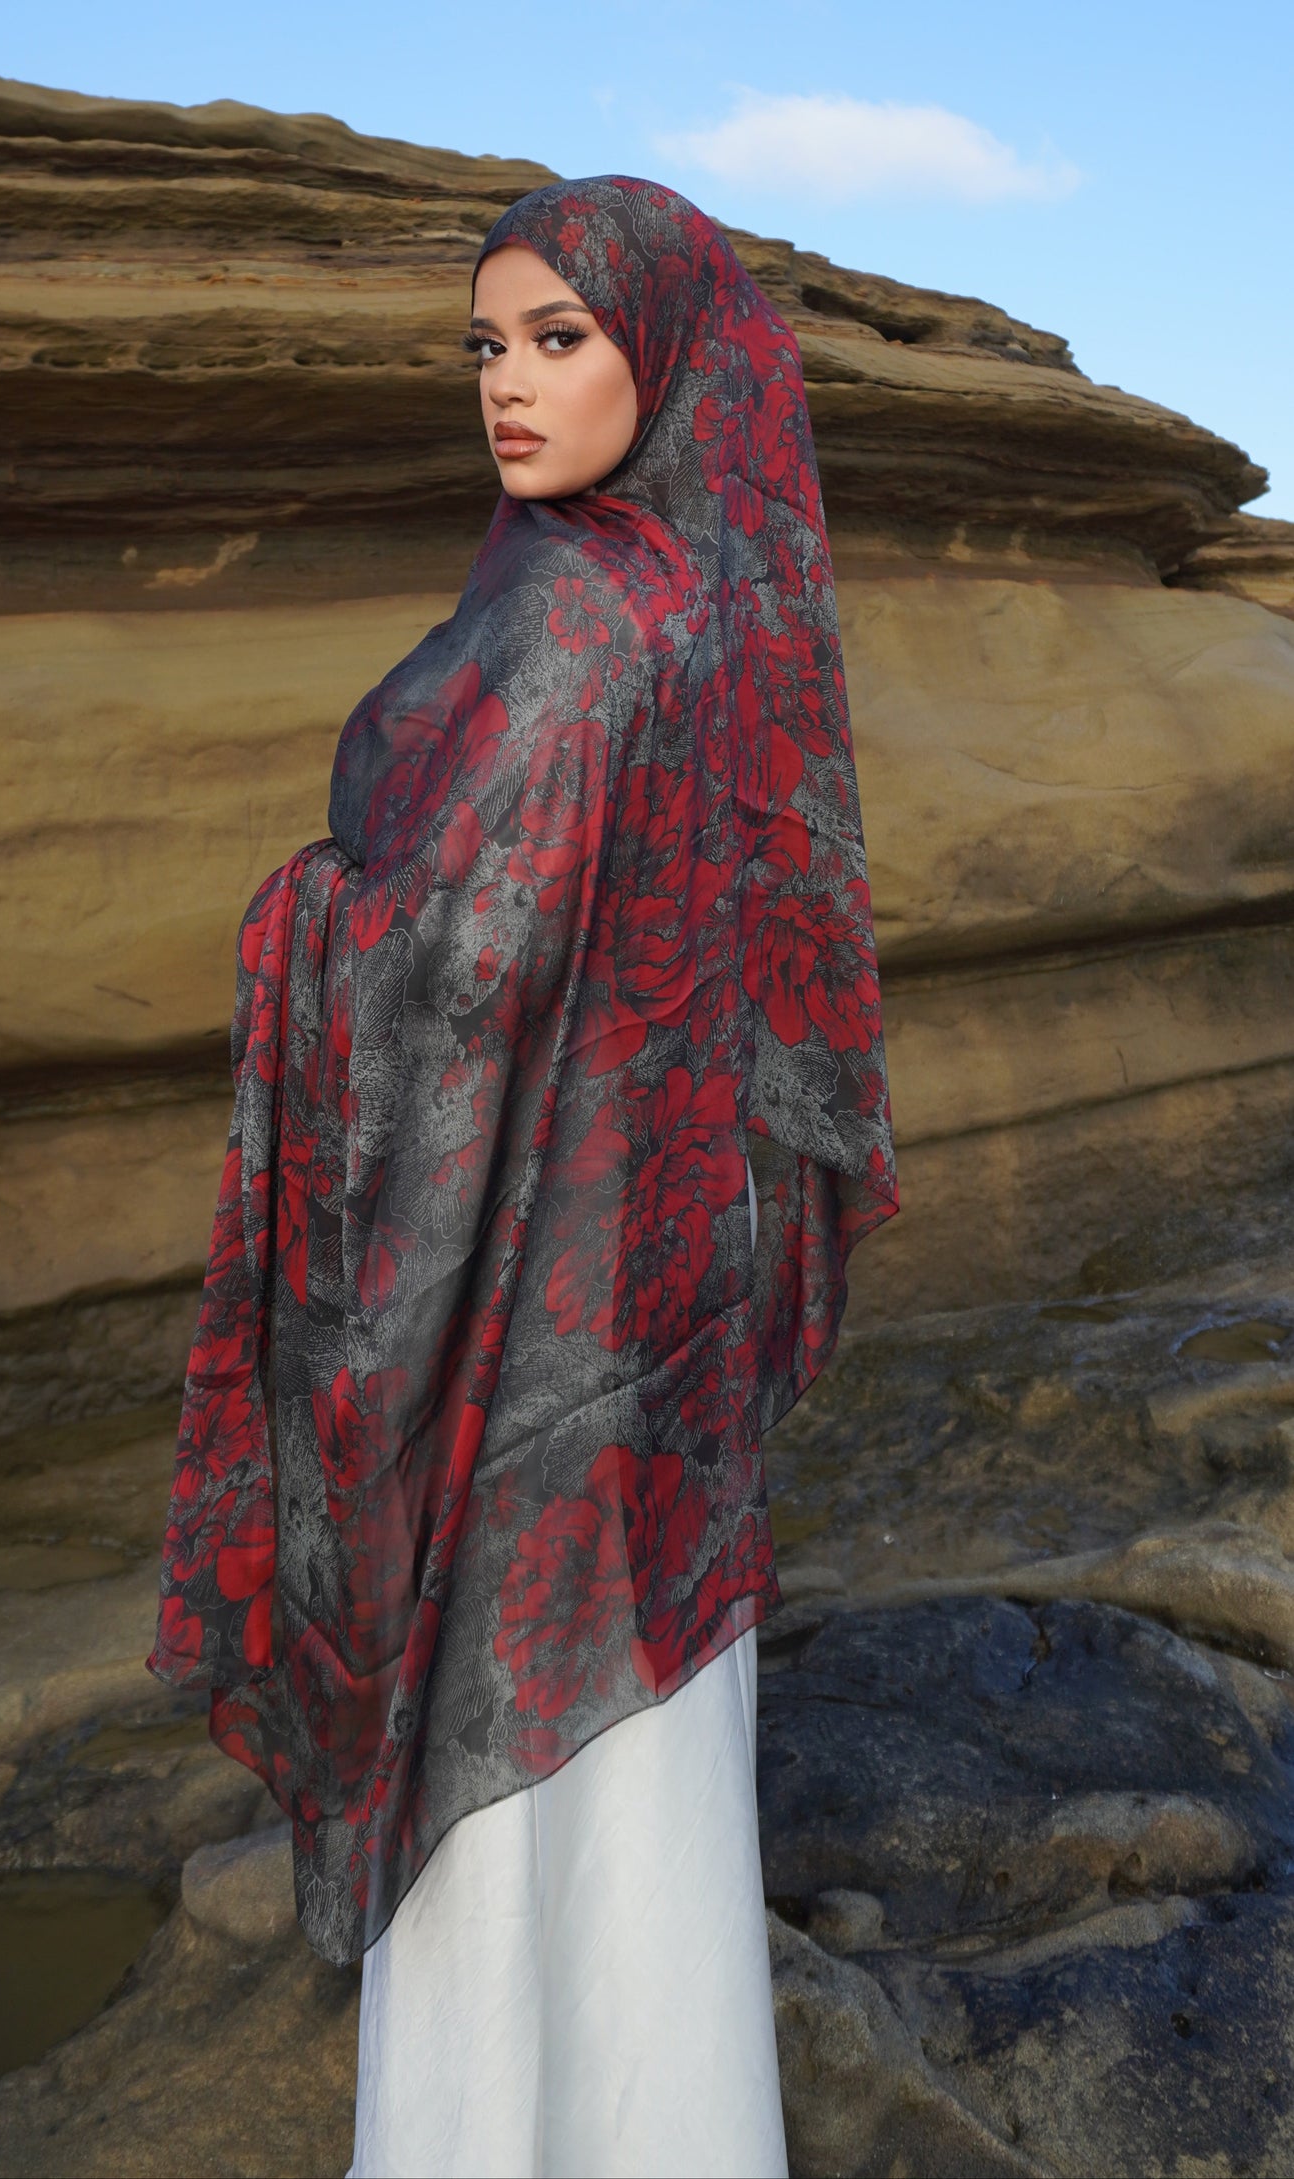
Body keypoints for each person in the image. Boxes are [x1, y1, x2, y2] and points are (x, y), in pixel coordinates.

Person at [147, 175, 897, 2179]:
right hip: (665, 1321)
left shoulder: (570, 620)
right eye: (486, 344)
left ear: (665, 358)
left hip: (527, 1341)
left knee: (500, 1801)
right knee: (643, 1805)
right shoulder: (705, 605)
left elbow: (453, 974)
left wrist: (304, 915)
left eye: (560, 338)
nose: (507, 383)